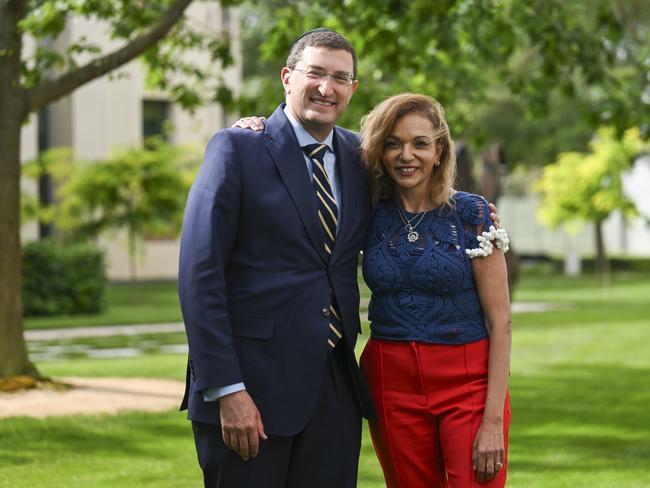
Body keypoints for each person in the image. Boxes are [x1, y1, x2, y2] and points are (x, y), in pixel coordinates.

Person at [178, 28, 376, 488]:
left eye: (340, 78)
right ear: (287, 77)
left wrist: (472, 212)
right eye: (315, 73)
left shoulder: (360, 157)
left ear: (353, 89)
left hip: (335, 388)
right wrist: (227, 389)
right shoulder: (238, 148)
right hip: (250, 386)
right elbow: (199, 276)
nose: (327, 88)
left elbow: (418, 187)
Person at [358, 93, 512, 487]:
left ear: (440, 150)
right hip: (389, 382)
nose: (406, 155)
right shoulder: (366, 211)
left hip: (468, 381)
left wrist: (493, 421)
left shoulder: (473, 214)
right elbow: (319, 145)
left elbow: (501, 323)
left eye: (420, 143)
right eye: (393, 143)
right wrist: (258, 129)